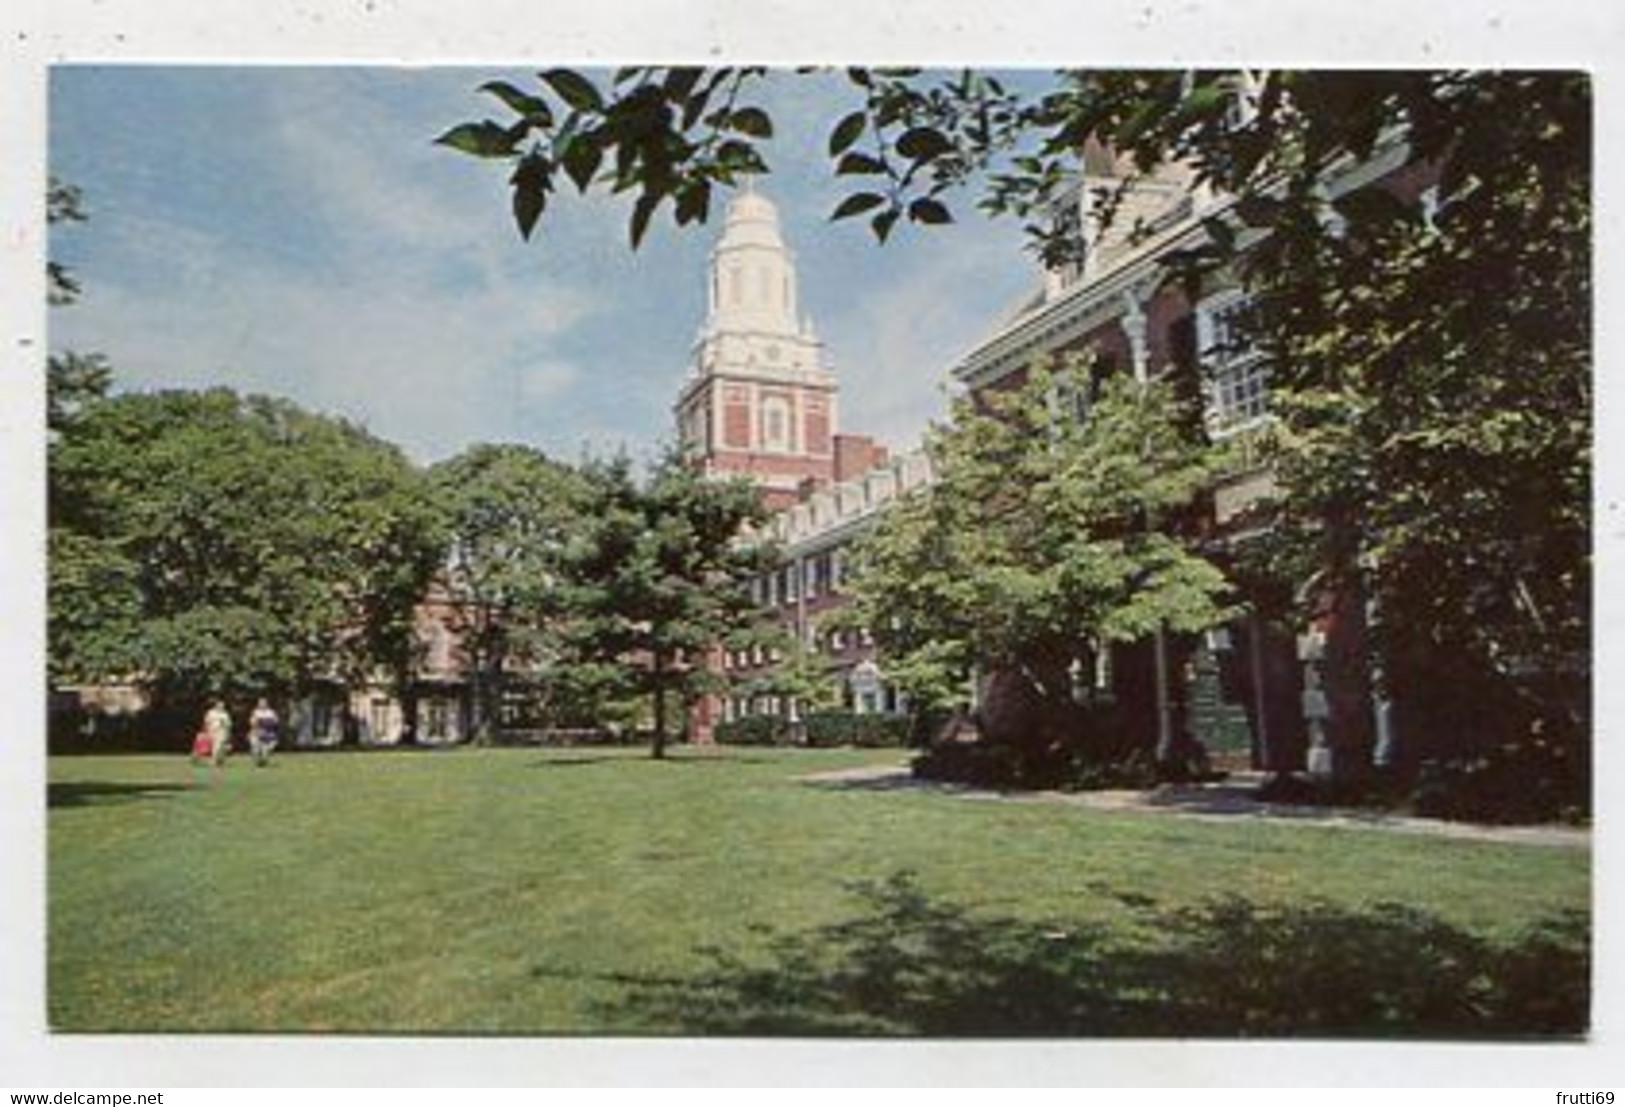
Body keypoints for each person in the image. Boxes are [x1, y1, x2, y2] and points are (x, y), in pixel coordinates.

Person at [249, 698, 280, 767]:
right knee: (256, 749)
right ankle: (257, 761)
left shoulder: (271, 712)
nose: (262, 705)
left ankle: (263, 760)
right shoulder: (256, 712)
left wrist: (270, 725)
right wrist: (256, 727)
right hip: (257, 732)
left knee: (268, 748)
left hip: (268, 733)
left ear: (266, 704)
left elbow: (276, 721)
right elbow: (252, 722)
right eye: (261, 703)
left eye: (264, 703)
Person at [204, 700, 233, 768]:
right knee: (214, 746)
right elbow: (206, 721)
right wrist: (207, 730)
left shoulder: (225, 714)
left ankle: (214, 761)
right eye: (220, 705)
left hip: (221, 731)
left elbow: (229, 724)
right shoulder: (211, 712)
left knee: (218, 746)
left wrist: (228, 733)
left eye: (222, 706)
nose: (221, 707)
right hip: (212, 731)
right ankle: (219, 760)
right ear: (216, 706)